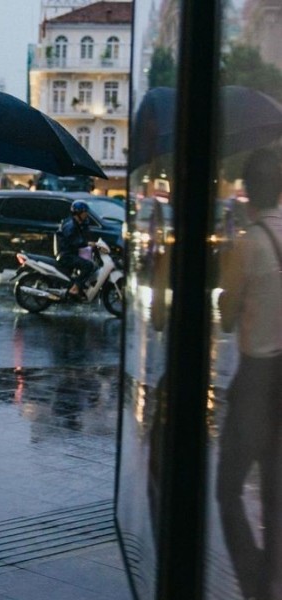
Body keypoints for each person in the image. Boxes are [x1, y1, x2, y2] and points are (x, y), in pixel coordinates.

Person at [215, 148, 282, 600]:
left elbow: (225, 319)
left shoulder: (248, 244)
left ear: (247, 193)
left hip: (256, 380)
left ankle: (254, 578)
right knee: (275, 489)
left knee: (228, 489)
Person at [56, 199, 95, 298]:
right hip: (66, 255)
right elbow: (73, 241)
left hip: (71, 253)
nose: (86, 214)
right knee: (88, 265)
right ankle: (75, 288)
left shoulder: (78, 223)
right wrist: (87, 243)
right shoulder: (70, 225)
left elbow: (85, 235)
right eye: (84, 212)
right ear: (78, 213)